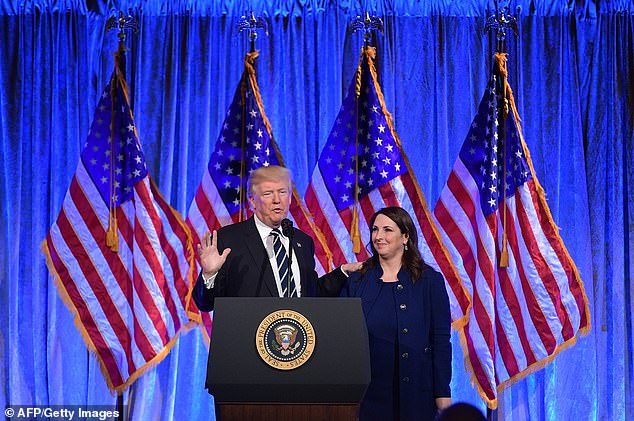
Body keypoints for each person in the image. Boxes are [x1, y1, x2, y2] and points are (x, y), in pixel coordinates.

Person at [192, 165, 362, 312]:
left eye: (282, 192)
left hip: (296, 342)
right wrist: (209, 274)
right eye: (268, 194)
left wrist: (342, 272)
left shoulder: (302, 241)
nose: (276, 200)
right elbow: (206, 304)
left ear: (289, 199)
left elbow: (310, 295)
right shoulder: (229, 240)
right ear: (252, 201)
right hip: (248, 342)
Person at [340, 206, 452, 421]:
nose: (378, 236)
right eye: (374, 230)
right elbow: (343, 337)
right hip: (369, 398)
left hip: (417, 394)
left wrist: (442, 393)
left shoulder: (429, 281)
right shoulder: (357, 281)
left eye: (387, 230)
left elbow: (440, 341)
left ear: (405, 236)